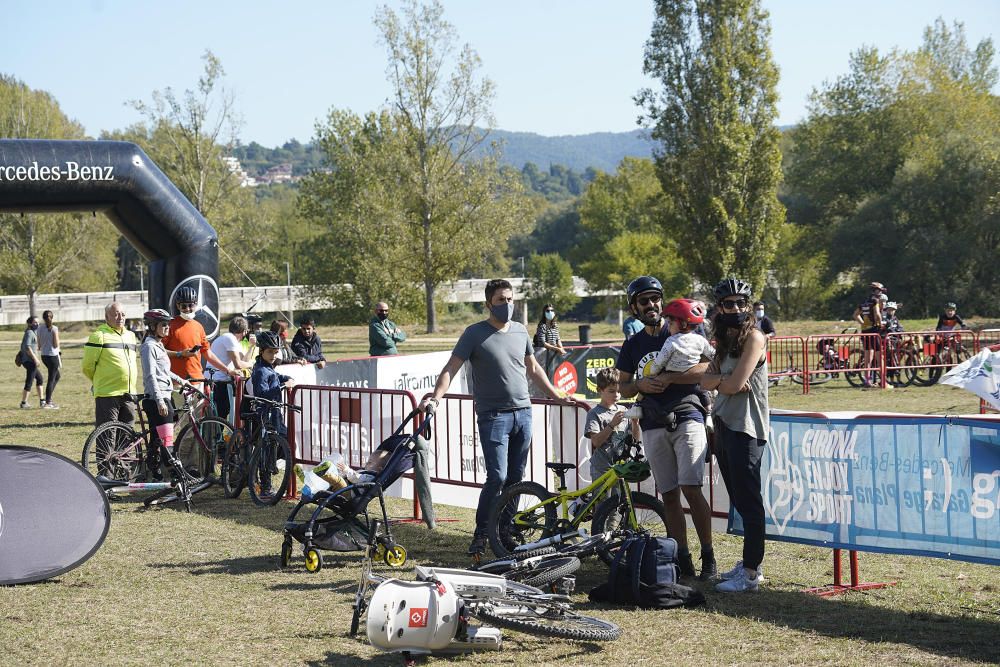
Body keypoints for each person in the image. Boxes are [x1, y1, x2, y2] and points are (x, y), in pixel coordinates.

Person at [417, 278, 574, 555]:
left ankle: (504, 531)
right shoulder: (473, 333)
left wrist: (555, 394)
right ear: (489, 304)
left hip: (523, 413)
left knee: (515, 477)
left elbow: (534, 368)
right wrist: (436, 397)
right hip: (493, 416)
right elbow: (451, 368)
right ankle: (480, 533)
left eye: (511, 299)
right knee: (497, 476)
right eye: (501, 300)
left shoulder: (520, 331)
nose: (507, 305)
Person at [615, 277, 716, 580]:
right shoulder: (632, 345)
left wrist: (672, 377)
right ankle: (680, 558)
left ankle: (708, 556)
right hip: (652, 421)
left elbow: (708, 368)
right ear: (634, 307)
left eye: (655, 299)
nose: (651, 305)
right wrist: (640, 385)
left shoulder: (683, 329)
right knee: (669, 494)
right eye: (644, 301)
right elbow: (622, 386)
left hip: (687, 415)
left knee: (691, 488)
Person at [699, 277, 769, 593]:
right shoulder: (725, 342)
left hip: (747, 428)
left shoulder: (755, 337)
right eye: (730, 303)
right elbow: (708, 381)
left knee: (750, 503)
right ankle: (749, 564)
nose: (737, 308)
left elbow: (730, 381)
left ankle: (752, 573)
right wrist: (723, 381)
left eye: (742, 302)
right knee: (739, 499)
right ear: (720, 307)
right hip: (724, 424)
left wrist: (721, 380)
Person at [138, 309, 189, 481]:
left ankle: (155, 474)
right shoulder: (149, 347)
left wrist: (183, 381)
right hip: (157, 398)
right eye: (163, 325)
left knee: (157, 441)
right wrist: (160, 400)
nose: (167, 328)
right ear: (153, 326)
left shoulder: (158, 345)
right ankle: (176, 479)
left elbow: (164, 372)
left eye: (168, 324)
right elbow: (151, 375)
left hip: (163, 395)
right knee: (167, 442)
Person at [162, 286, 239, 388]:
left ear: (196, 304)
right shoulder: (170, 326)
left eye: (190, 305)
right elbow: (159, 351)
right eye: (184, 306)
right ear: (177, 306)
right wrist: (180, 354)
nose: (187, 309)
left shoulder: (198, 327)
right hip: (177, 383)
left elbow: (208, 354)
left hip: (198, 381)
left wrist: (228, 370)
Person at [82, 302, 139, 427]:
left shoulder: (131, 336)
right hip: (108, 394)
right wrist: (100, 380)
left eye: (123, 314)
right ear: (107, 317)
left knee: (127, 437)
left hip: (129, 393)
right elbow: (87, 366)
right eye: (116, 314)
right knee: (107, 436)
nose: (120, 318)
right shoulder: (98, 336)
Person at [584, 367, 641, 485]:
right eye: (611, 391)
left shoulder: (624, 410)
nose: (616, 394)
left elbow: (635, 440)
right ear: (599, 390)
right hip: (602, 468)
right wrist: (611, 425)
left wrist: (635, 424)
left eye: (619, 391)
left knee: (621, 501)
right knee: (603, 502)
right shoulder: (594, 413)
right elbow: (596, 442)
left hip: (622, 467)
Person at [206, 316, 254, 422]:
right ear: (245, 331)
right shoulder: (229, 338)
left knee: (223, 412)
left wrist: (251, 347)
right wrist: (251, 364)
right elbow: (238, 364)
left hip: (220, 380)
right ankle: (216, 437)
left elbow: (243, 360)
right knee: (221, 413)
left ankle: (217, 436)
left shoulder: (230, 339)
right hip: (217, 380)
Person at [251, 331, 296, 437]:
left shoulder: (266, 366)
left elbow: (276, 376)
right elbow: (262, 394)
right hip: (266, 414)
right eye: (270, 352)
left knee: (286, 439)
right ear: (261, 351)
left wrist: (287, 379)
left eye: (276, 352)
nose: (274, 355)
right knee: (277, 443)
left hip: (274, 412)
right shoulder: (261, 370)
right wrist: (284, 385)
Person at [853, 281, 885, 388]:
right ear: (876, 290)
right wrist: (880, 324)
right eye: (880, 290)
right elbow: (877, 314)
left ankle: (867, 380)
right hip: (874, 330)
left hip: (865, 331)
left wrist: (863, 323)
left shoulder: (863, 302)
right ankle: (884, 380)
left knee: (868, 357)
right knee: (879, 356)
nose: (880, 293)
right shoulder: (874, 301)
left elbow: (855, 315)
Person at [36, 310, 61, 409]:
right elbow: (55, 345)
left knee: (57, 376)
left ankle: (48, 398)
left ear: (43, 318)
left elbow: (39, 344)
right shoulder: (54, 328)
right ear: (52, 317)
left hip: (44, 356)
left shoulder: (39, 328)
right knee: (51, 378)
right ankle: (48, 402)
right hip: (53, 356)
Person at [18, 316, 44, 409]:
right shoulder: (29, 332)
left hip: (30, 361)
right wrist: (35, 359)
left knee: (40, 379)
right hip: (30, 361)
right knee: (29, 381)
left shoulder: (33, 332)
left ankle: (42, 401)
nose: (37, 324)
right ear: (29, 323)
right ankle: (24, 403)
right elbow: (28, 347)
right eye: (34, 322)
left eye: (37, 322)